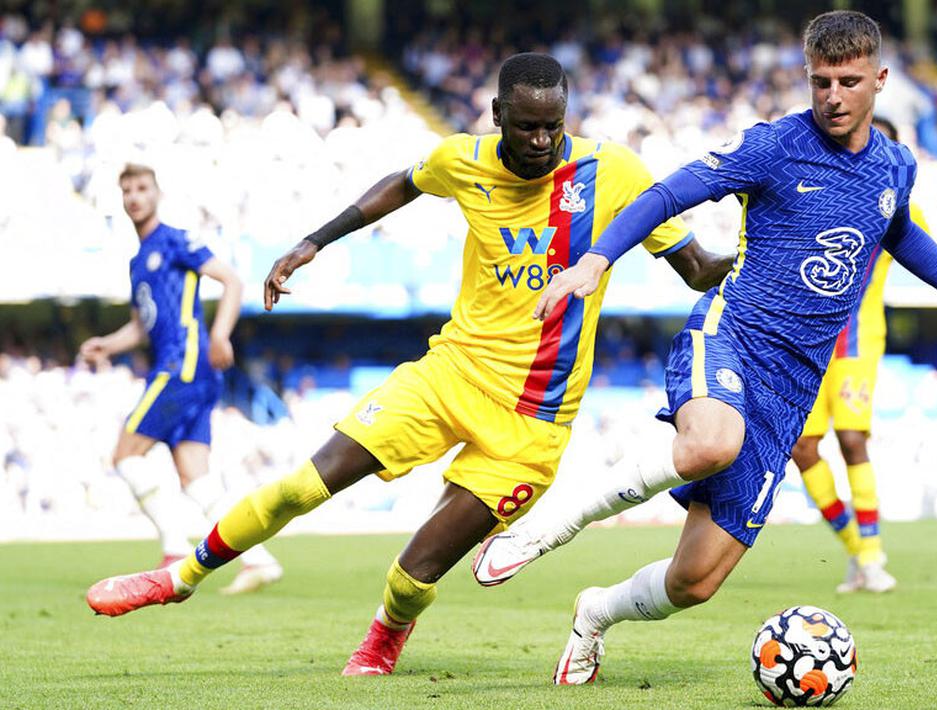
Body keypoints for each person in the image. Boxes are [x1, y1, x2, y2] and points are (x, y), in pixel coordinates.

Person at [85, 54, 732, 676]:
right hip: (448, 375)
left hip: (533, 425)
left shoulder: (612, 173)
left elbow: (697, 267)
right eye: (526, 126)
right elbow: (403, 184)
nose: (541, 141)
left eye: (553, 126)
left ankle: (385, 635)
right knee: (304, 485)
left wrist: (765, 249)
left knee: (414, 572)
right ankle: (180, 578)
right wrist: (314, 241)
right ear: (497, 115)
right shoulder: (463, 160)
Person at [472, 11, 937, 685]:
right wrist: (596, 259)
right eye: (821, 82)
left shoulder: (895, 167)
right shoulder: (774, 146)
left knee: (693, 582)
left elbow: (898, 231)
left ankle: (594, 612)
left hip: (793, 389)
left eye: (849, 82)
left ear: (880, 80)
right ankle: (546, 529)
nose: (833, 96)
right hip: (732, 335)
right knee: (710, 443)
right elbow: (669, 192)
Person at [79, 163, 283, 595]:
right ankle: (259, 560)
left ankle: (174, 550)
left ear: (157, 194)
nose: (135, 196)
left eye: (142, 188)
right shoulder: (138, 262)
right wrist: (107, 345)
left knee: (125, 454)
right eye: (127, 190)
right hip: (188, 370)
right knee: (197, 478)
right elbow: (141, 326)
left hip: (183, 364)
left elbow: (231, 280)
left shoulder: (175, 240)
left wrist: (221, 335)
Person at [789, 116, 918, 595]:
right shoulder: (819, 194)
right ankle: (857, 552)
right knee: (802, 449)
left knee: (851, 439)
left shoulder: (897, 206)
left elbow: (923, 251)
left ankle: (872, 554)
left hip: (857, 343)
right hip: (808, 343)